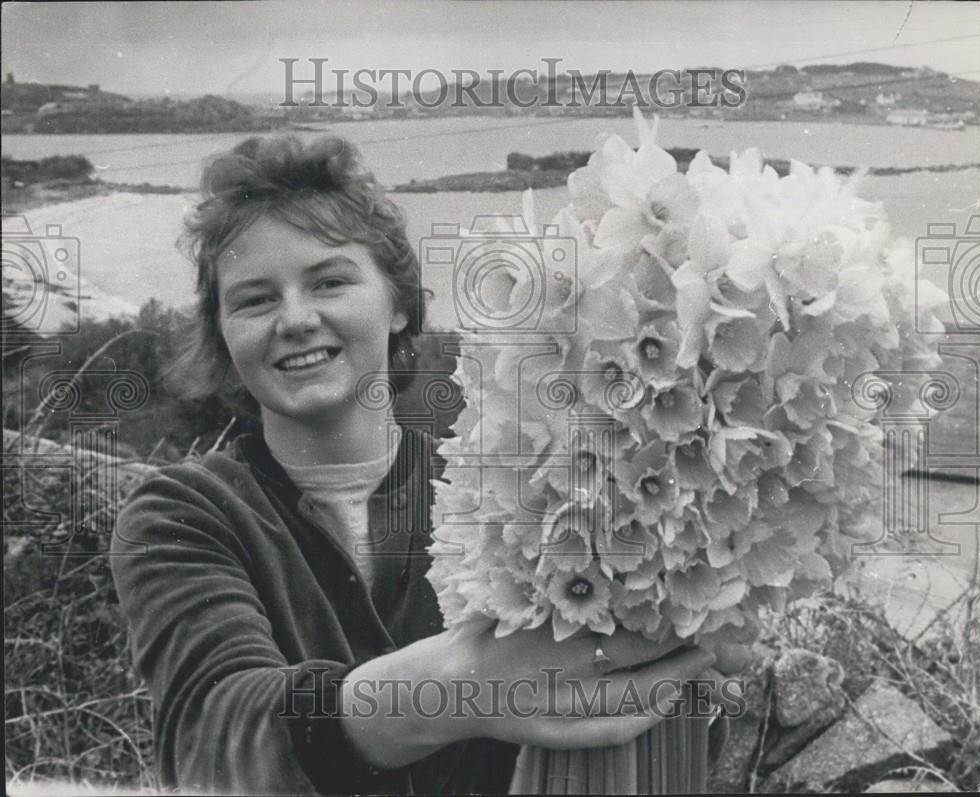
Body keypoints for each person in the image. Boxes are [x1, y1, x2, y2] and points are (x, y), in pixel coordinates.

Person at [111, 135, 748, 795]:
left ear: (402, 305)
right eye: (254, 299)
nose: (295, 318)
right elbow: (211, 740)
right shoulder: (181, 513)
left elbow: (648, 718)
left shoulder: (514, 482)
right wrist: (459, 684)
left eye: (329, 280)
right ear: (222, 334)